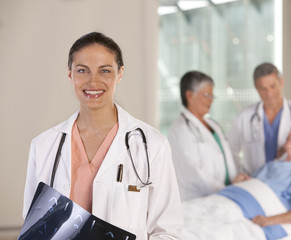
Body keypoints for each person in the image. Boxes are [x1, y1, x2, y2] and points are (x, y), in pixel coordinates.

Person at [22, 32, 183, 240]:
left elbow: (168, 231)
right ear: (70, 74)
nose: (93, 81)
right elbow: (33, 225)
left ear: (120, 73)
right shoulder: (43, 145)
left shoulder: (151, 144)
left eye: (105, 71)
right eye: (82, 70)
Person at [181, 123, 291, 240]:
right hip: (223, 198)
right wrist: (241, 182)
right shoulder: (272, 165)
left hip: (247, 212)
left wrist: (271, 220)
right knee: (176, 214)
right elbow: (255, 186)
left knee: (197, 232)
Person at [228, 62, 291, 175]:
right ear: (256, 88)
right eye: (263, 88)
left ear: (281, 82)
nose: (269, 93)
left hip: (288, 178)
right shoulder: (244, 117)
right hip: (254, 180)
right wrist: (239, 173)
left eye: (273, 86)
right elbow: (231, 151)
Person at [167, 71, 241, 201]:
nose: (210, 101)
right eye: (206, 95)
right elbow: (192, 172)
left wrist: (238, 177)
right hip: (198, 200)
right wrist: (224, 190)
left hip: (227, 196)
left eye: (212, 96)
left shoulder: (213, 124)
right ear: (190, 95)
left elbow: (228, 157)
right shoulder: (180, 130)